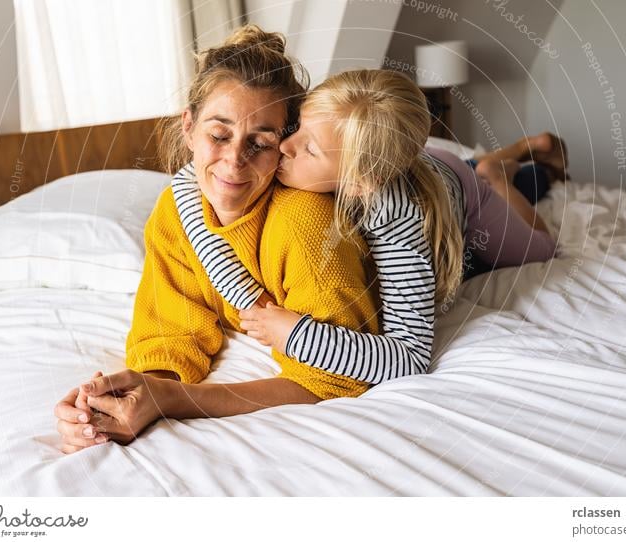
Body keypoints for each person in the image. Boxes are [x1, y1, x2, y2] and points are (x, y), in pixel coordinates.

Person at [53, 26, 381, 453]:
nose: (234, 161)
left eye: (259, 143)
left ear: (284, 146)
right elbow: (170, 335)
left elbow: (339, 375)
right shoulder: (176, 213)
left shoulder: (305, 223)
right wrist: (114, 404)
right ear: (188, 128)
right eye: (218, 135)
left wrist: (173, 400)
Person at [193, 69, 558, 388]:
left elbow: (410, 357)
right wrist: (247, 298)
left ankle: (494, 171)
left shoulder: (397, 218)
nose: (283, 146)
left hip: (459, 185)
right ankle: (497, 160)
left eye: (311, 149)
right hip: (409, 160)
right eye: (295, 127)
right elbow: (184, 184)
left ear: (358, 183)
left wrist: (294, 334)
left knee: (542, 248)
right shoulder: (277, 151)